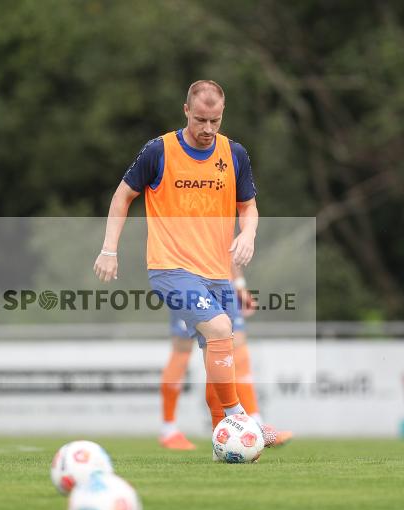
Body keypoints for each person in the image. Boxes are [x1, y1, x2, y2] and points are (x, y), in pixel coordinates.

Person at [93, 79, 287, 451]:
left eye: (215, 120)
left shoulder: (234, 154)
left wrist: (248, 236)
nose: (208, 129)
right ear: (186, 111)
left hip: (217, 273)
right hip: (170, 269)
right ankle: (242, 420)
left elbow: (248, 206)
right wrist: (109, 249)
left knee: (221, 349)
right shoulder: (159, 150)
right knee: (219, 328)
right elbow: (123, 196)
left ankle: (222, 439)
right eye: (200, 119)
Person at [158, 267, 293, 450]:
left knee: (237, 348)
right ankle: (169, 429)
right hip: (187, 278)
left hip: (221, 280)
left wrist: (239, 284)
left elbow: (228, 247)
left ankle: (255, 423)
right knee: (182, 350)